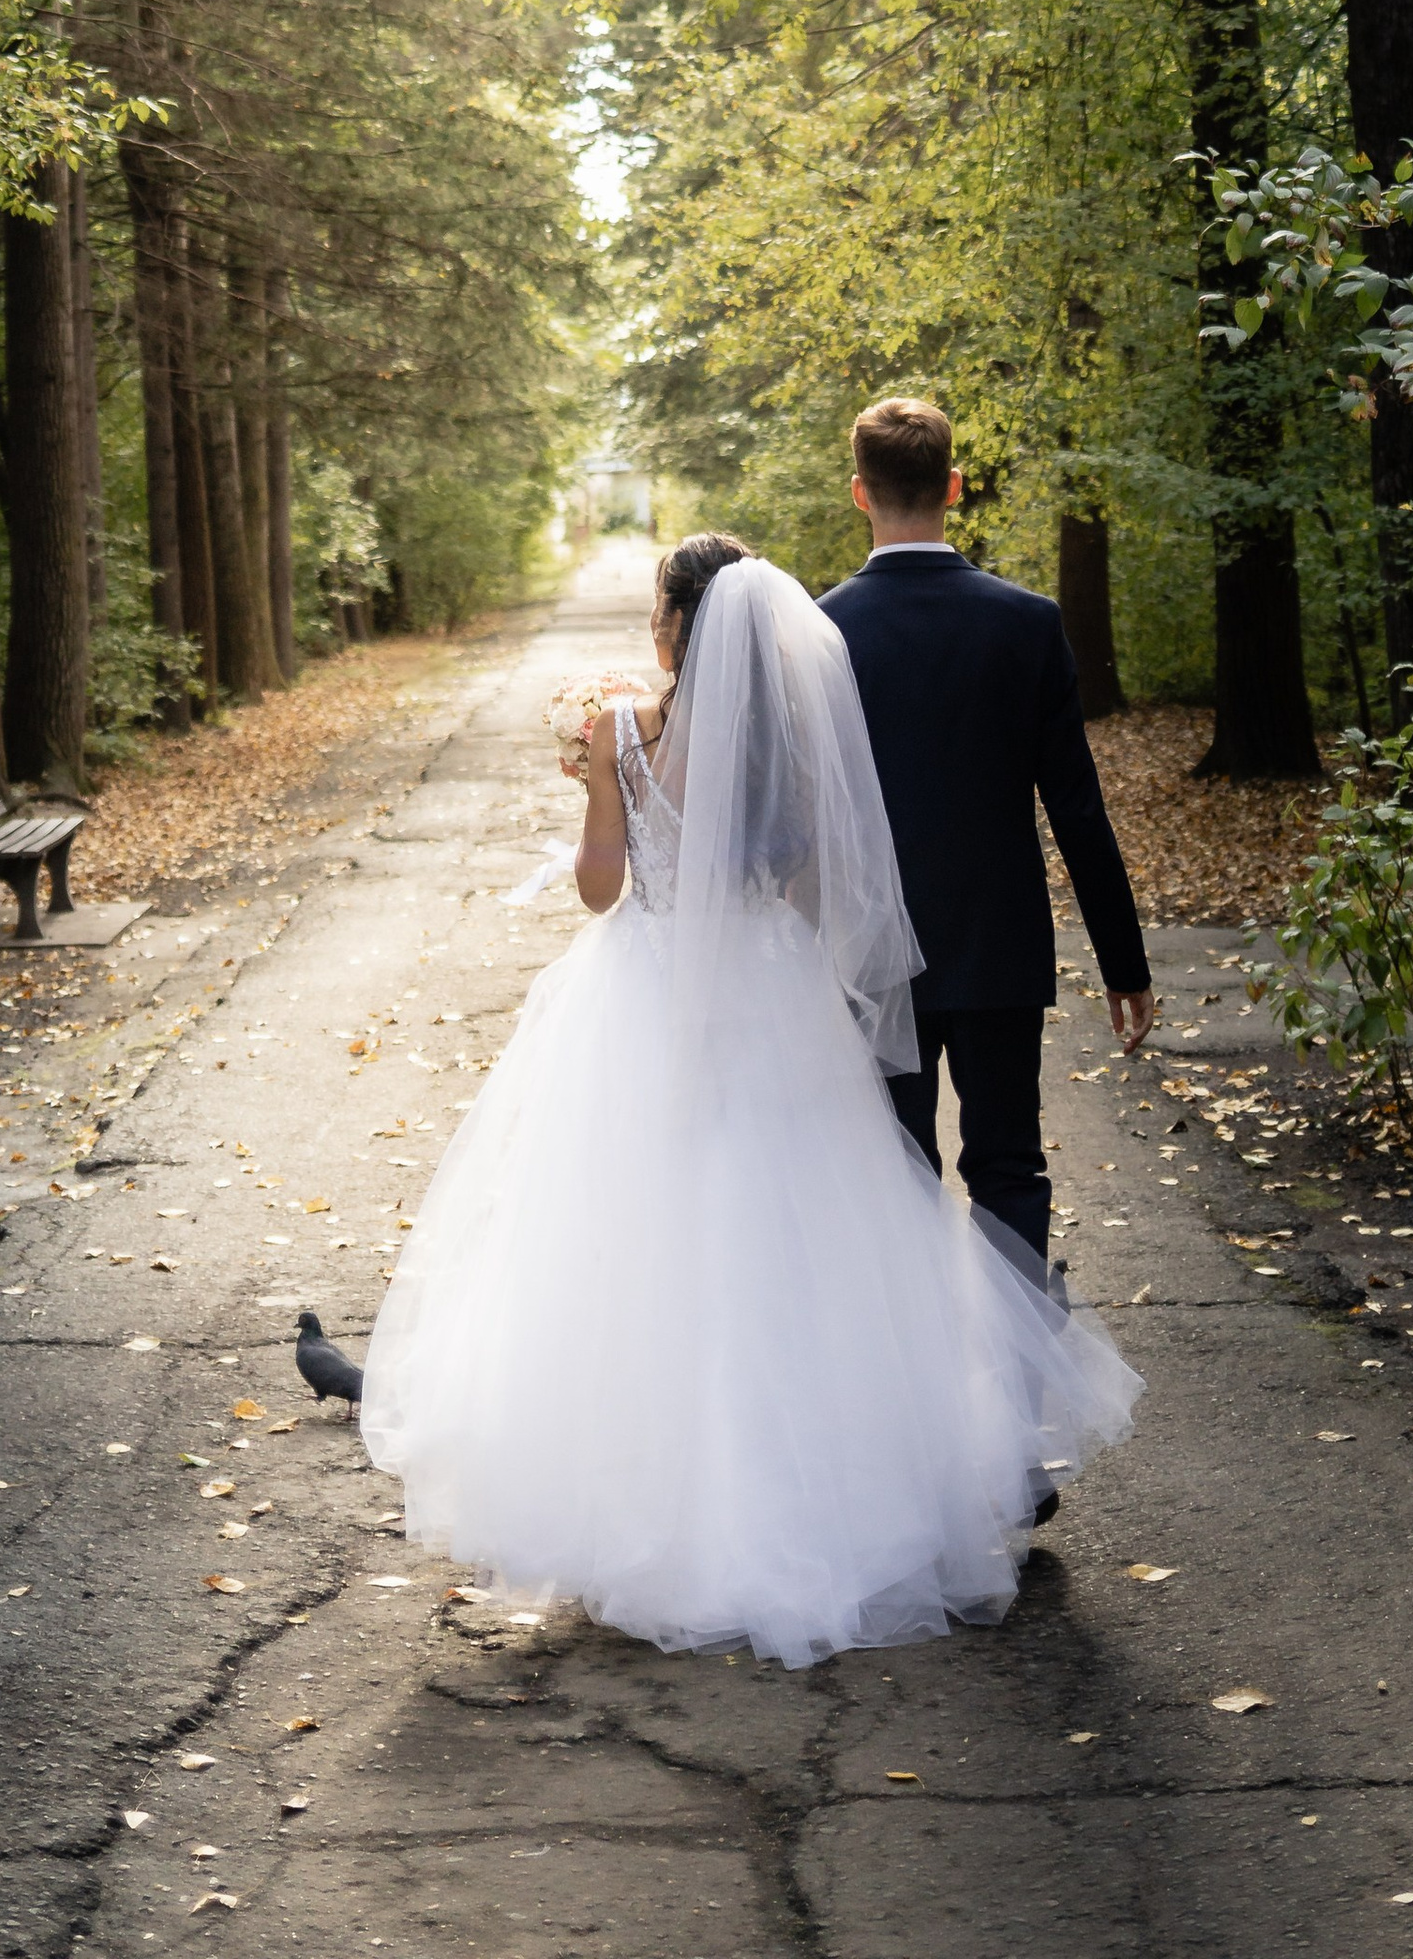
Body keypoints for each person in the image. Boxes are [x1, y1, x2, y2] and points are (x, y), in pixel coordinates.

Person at [358, 537, 1141, 1668]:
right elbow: (828, 882)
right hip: (771, 992)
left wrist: (598, 790)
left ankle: (655, 1495)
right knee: (801, 1228)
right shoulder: (792, 743)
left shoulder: (620, 732)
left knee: (643, 1228)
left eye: (654, 613)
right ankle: (851, 1483)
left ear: (677, 624)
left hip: (647, 990)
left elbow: (599, 891)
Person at [822, 396, 1157, 1277]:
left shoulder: (821, 634)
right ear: (956, 487)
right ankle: (1021, 1383)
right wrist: (1125, 963)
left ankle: (917, 1389)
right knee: (1009, 1164)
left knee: (892, 1174)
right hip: (999, 945)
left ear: (860, 494)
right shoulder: (1028, 622)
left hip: (869, 954)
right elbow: (1077, 807)